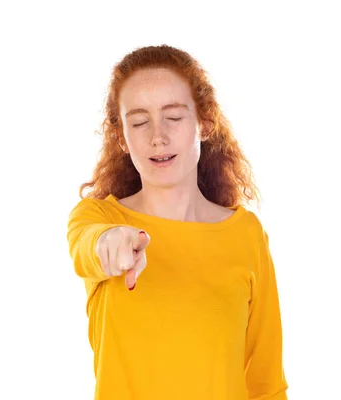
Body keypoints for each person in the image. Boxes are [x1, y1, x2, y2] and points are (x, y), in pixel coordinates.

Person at [66, 44, 288, 399]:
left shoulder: (246, 235)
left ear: (204, 123)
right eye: (139, 122)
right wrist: (109, 241)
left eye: (173, 117)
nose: (158, 136)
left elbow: (265, 385)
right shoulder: (100, 218)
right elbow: (88, 245)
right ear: (121, 138)